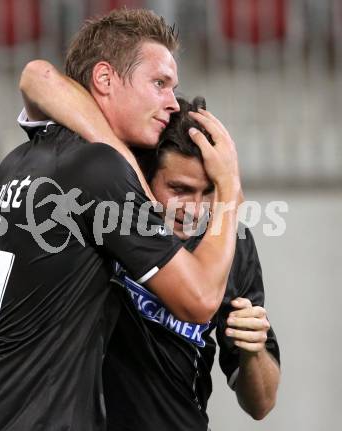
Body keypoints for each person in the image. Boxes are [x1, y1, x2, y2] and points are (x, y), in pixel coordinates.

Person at [0, 9, 242, 431]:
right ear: (104, 79)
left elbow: (36, 76)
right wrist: (229, 189)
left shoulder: (14, 163)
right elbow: (198, 300)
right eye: (159, 83)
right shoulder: (98, 169)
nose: (172, 102)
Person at [18, 90, 280, 430]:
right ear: (143, 178)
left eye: (209, 192)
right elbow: (39, 79)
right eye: (179, 189)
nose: (194, 210)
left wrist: (253, 351)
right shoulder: (104, 221)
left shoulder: (233, 242)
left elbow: (262, 404)